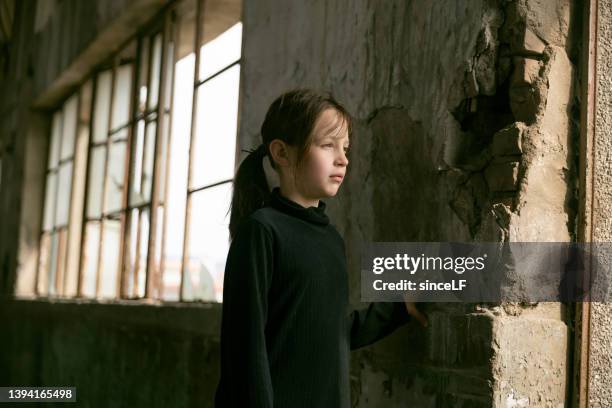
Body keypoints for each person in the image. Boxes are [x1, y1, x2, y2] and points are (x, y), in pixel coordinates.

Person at [214, 89, 428, 408]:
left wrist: (398, 307)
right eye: (327, 145)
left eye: (345, 148)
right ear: (281, 153)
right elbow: (245, 352)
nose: (342, 158)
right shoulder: (261, 231)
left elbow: (329, 333)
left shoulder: (331, 238)